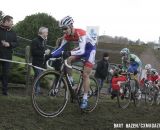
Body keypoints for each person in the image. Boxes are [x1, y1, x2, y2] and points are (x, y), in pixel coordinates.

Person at [48, 16, 96, 109]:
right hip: (81, 49)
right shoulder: (67, 36)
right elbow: (60, 49)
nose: (64, 31)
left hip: (90, 51)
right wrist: (49, 55)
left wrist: (69, 52)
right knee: (68, 60)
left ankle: (85, 98)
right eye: (62, 29)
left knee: (85, 75)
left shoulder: (80, 33)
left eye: (65, 28)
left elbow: (82, 51)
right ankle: (70, 79)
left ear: (71, 26)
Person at [0, 15, 18, 95]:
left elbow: (17, 43)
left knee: (6, 74)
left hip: (7, 57)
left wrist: (9, 44)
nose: (12, 23)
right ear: (6, 22)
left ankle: (4, 91)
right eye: (11, 22)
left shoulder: (13, 32)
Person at [31, 27, 50, 94]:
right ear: (42, 33)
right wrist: (44, 52)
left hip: (42, 63)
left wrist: (48, 54)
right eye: (46, 32)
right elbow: (33, 52)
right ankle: (36, 91)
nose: (47, 34)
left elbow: (44, 51)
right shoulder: (35, 41)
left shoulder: (44, 41)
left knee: (37, 77)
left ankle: (34, 91)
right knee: (38, 76)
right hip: (36, 63)